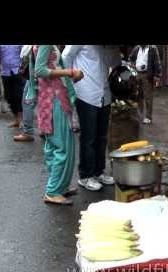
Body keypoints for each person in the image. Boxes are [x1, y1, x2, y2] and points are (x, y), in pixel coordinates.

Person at [62, 45, 121, 191]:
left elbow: (116, 63)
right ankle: (85, 176)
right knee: (89, 138)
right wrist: (69, 81)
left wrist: (115, 50)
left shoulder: (108, 47)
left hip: (104, 94)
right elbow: (66, 57)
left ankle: (98, 172)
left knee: (102, 137)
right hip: (85, 92)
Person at [32, 45, 83, 205]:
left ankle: (60, 187)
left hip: (51, 98)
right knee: (63, 147)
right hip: (54, 99)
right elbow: (40, 70)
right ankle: (53, 191)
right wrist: (69, 72)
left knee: (54, 146)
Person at [129, 45, 161, 124]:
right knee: (139, 95)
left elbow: (157, 62)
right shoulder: (137, 48)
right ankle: (140, 115)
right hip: (137, 74)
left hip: (147, 74)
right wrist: (133, 65)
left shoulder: (152, 49)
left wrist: (157, 75)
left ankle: (148, 117)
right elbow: (130, 58)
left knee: (148, 96)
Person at [0, 45, 24, 128]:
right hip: (5, 72)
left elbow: (24, 54)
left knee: (18, 96)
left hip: (17, 71)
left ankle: (21, 120)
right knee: (9, 97)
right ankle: (16, 119)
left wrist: (23, 67)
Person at [13, 45, 35, 142]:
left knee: (27, 102)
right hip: (36, 75)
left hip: (35, 75)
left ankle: (28, 132)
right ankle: (45, 129)